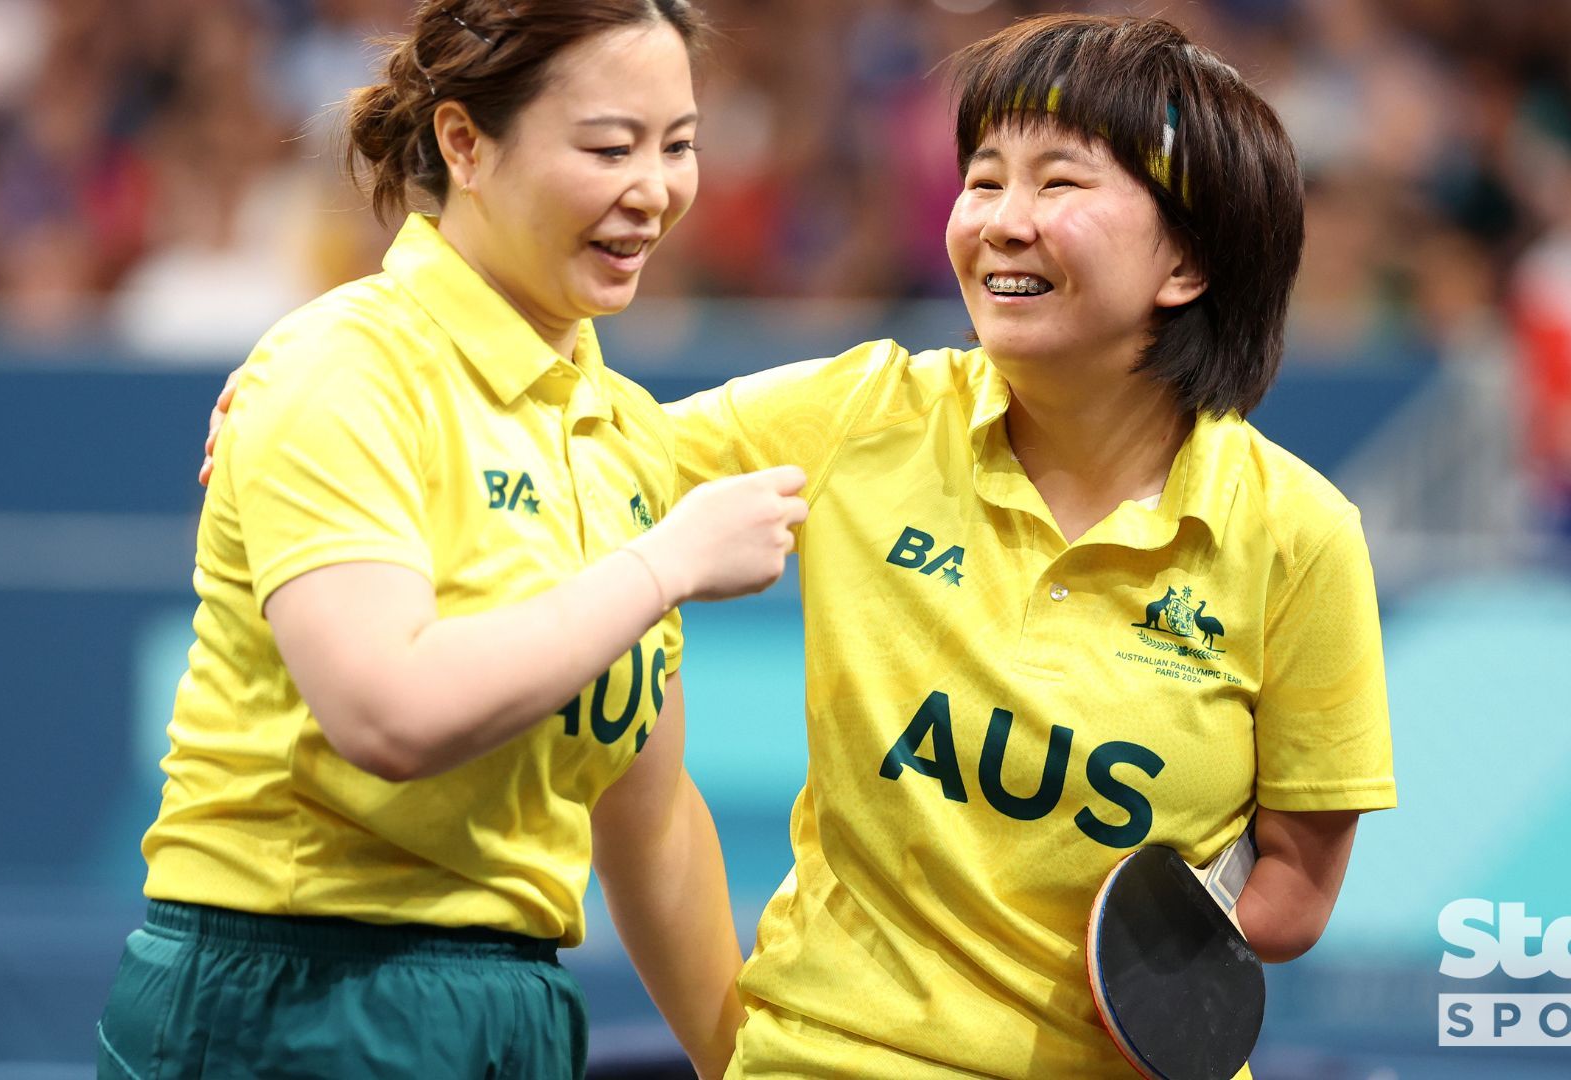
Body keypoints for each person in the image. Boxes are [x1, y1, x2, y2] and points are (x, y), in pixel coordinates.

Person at [203, 13, 1396, 1077]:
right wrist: (301, 400)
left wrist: (1171, 937)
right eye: (983, 179)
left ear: (1186, 262)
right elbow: (577, 468)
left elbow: (1294, 881)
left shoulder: (1296, 537)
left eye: (1061, 183)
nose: (1000, 222)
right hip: (828, 1058)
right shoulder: (860, 416)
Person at [98, 2, 807, 1078]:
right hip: (295, 997)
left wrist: (748, 1066)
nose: (653, 190)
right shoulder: (342, 370)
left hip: (514, 1004)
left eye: (680, 146)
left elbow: (649, 816)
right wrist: (665, 564)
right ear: (465, 143)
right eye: (610, 147)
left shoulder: (620, 434)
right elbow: (390, 711)